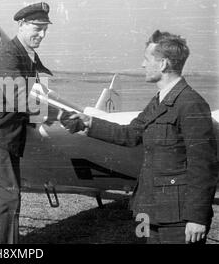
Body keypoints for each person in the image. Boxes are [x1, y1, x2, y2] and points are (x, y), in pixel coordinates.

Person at [60, 30, 218, 244]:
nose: (142, 65)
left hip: (179, 217)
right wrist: (87, 122)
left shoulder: (191, 103)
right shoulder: (159, 101)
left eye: (146, 59)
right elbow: (130, 134)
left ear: (163, 64)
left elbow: (203, 166)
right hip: (152, 209)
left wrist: (197, 217)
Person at [0, 2, 53, 244]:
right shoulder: (8, 56)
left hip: (1, 138)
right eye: (37, 27)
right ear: (22, 25)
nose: (42, 34)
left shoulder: (24, 56)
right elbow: (21, 98)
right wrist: (63, 116)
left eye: (46, 29)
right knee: (3, 201)